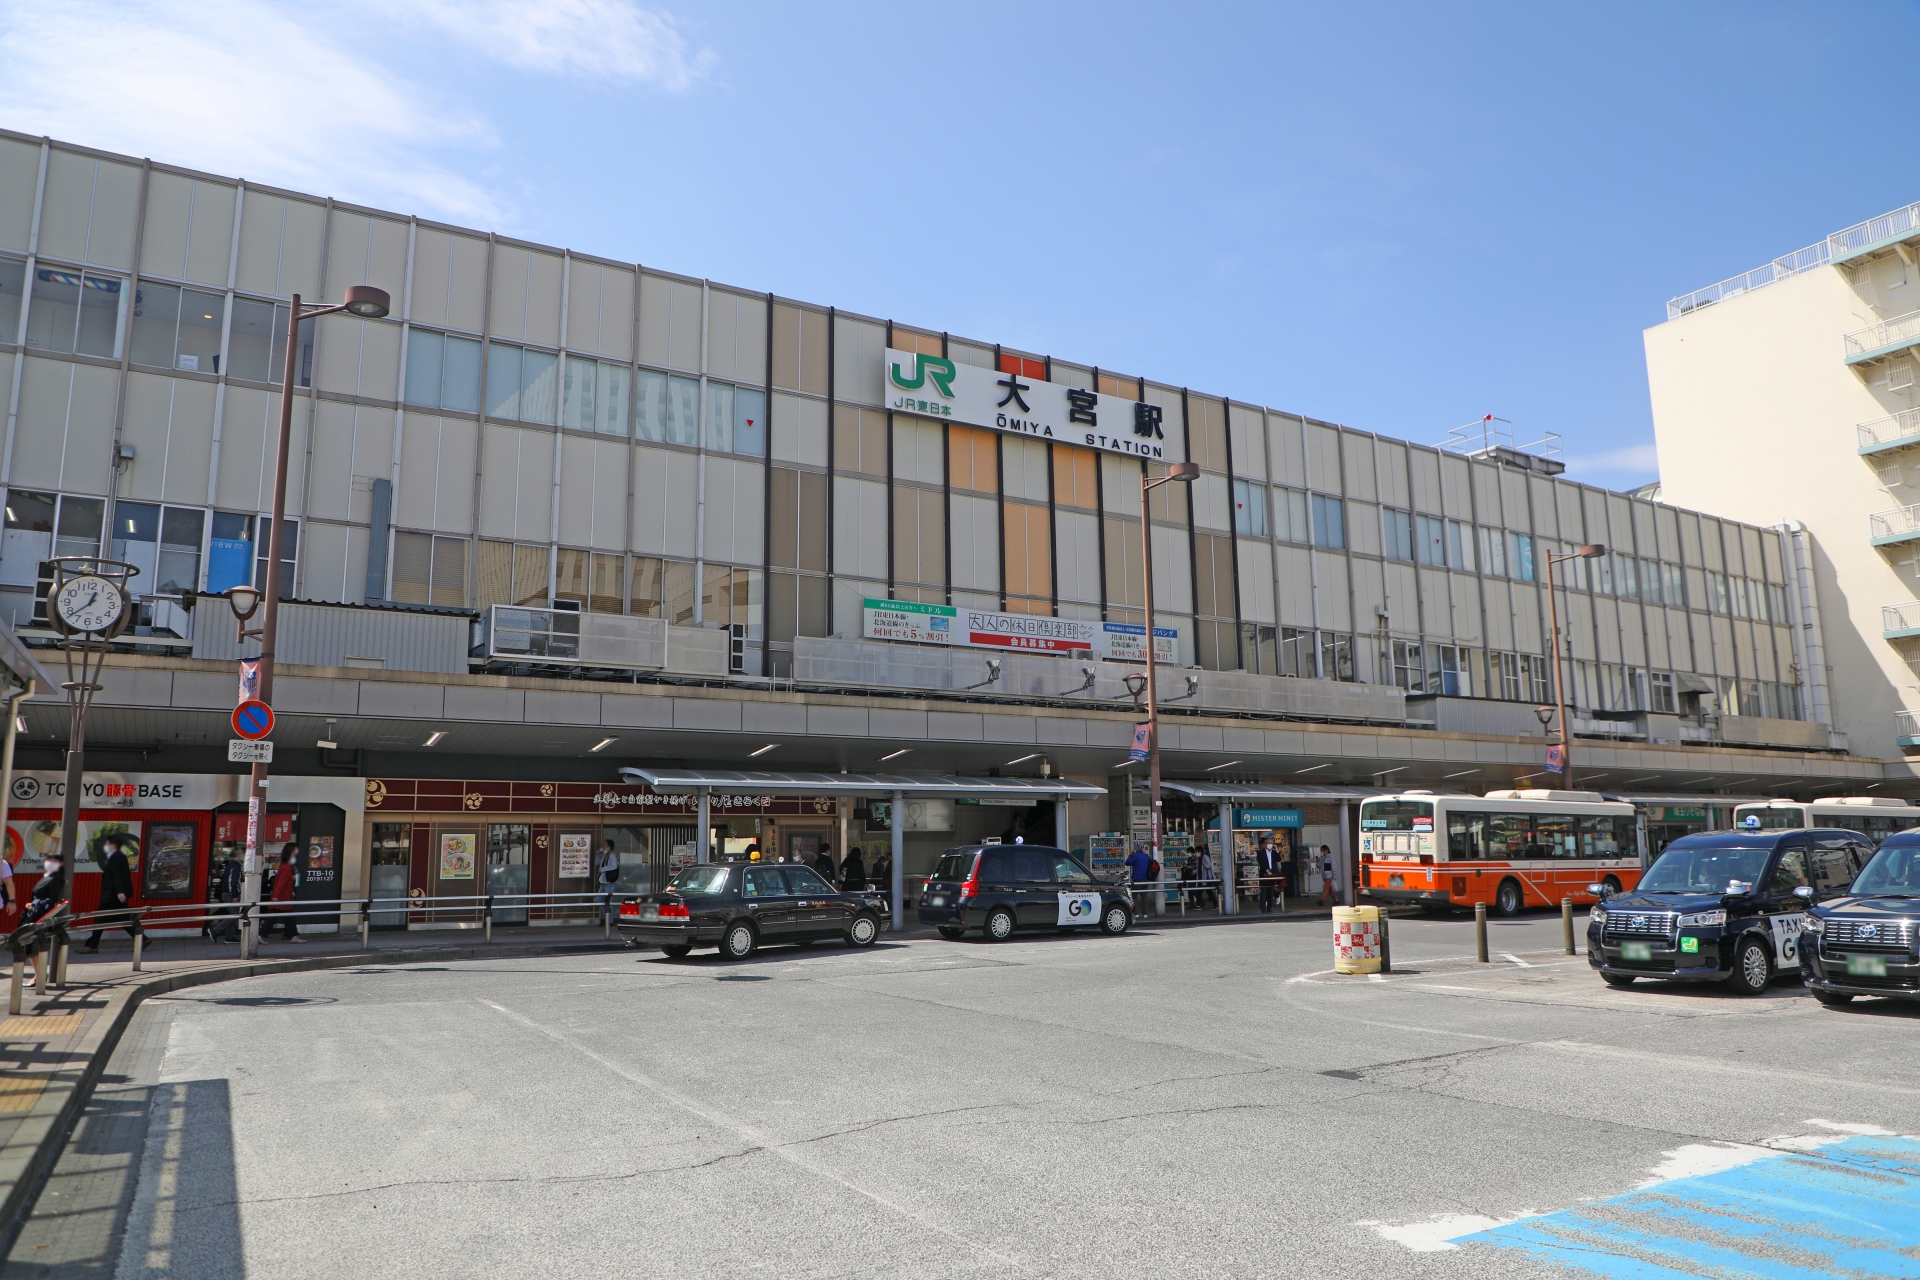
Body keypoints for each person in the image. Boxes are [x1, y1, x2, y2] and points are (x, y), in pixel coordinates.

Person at [82, 833, 139, 952]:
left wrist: (119, 892)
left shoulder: (115, 857)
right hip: (117, 895)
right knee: (123, 919)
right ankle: (142, 939)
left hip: (112, 895)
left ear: (113, 845)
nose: (106, 846)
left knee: (99, 918)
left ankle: (92, 946)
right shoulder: (120, 855)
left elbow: (117, 875)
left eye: (107, 844)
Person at [20, 853, 66, 982]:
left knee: (34, 944)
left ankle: (39, 975)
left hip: (40, 915)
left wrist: (35, 905)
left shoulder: (56, 878)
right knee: (29, 945)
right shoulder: (47, 877)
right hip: (33, 913)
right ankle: (38, 974)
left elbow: (52, 899)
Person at [269, 844, 302, 941]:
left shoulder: (285, 866)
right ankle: (293, 936)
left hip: (282, 896)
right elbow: (280, 883)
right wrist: (276, 896)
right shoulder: (287, 868)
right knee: (288, 916)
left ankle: (289, 934)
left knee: (275, 917)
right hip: (283, 897)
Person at [1125, 846, 1155, 916]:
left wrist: (1131, 855)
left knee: (1134, 896)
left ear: (1136, 849)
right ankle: (1145, 914)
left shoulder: (1135, 856)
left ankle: (1136, 913)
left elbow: (1127, 863)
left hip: (1137, 879)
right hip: (1145, 879)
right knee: (1144, 897)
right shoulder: (1146, 856)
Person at [1255, 838, 1282, 914]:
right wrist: (1267, 870)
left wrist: (1277, 850)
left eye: (1272, 843)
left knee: (1271, 890)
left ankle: (1270, 907)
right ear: (1265, 844)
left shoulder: (1274, 853)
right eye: (1269, 843)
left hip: (1273, 873)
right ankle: (1263, 908)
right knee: (1263, 891)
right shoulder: (1261, 853)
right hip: (1264, 873)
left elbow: (1279, 859)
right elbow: (1261, 863)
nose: (1271, 845)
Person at [596, 839, 620, 912]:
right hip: (603, 881)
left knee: (608, 903)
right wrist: (598, 854)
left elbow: (614, 866)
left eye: (605, 845)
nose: (603, 847)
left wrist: (602, 870)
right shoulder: (604, 855)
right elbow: (596, 862)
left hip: (609, 882)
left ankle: (610, 921)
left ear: (609, 847)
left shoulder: (612, 855)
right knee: (597, 901)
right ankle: (607, 915)